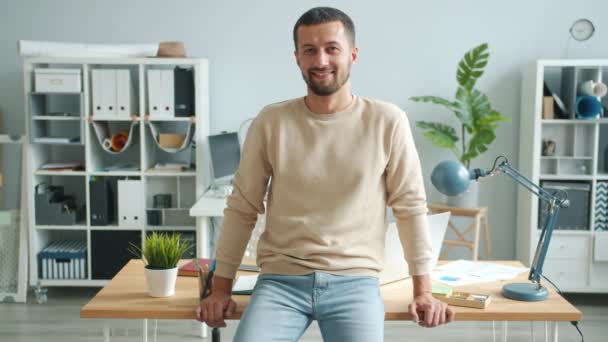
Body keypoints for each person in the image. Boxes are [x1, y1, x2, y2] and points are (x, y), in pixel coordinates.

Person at [196, 6, 454, 341]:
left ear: (353, 55)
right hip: (280, 282)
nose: (321, 61)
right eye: (310, 51)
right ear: (297, 58)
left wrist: (423, 290)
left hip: (355, 282)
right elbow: (242, 207)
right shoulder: (271, 122)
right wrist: (220, 289)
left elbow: (410, 207)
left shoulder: (387, 121)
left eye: (332, 49)